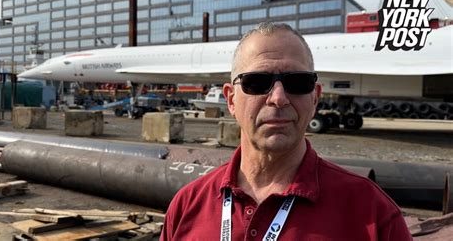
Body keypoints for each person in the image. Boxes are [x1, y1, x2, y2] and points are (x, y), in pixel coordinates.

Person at [160, 22, 411, 240]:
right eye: (257, 82)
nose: (278, 98)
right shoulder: (187, 205)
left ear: (315, 98)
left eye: (297, 83)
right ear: (231, 100)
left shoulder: (372, 212)